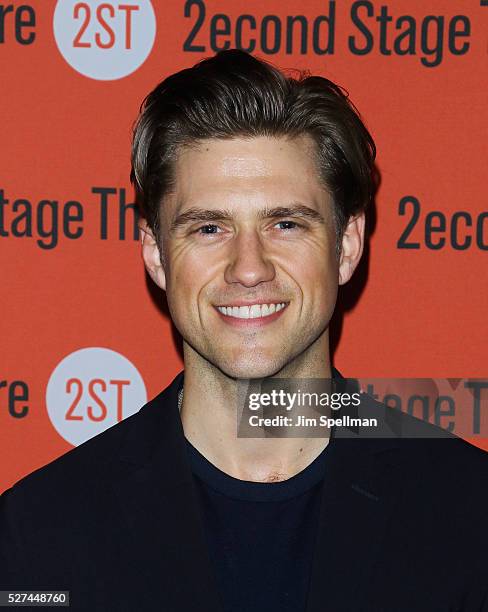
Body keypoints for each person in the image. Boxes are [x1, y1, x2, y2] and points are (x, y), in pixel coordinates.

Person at [1, 50, 487, 611]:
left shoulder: (468, 514)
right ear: (156, 254)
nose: (249, 267)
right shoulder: (40, 534)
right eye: (208, 228)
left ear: (347, 245)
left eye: (285, 224)